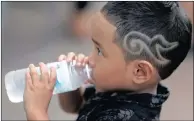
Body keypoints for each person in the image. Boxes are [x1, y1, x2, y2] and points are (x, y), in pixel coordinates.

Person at [23, 2, 192, 121]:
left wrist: (36, 112)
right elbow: (76, 107)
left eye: (99, 50)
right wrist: (69, 84)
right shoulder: (118, 85)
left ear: (139, 72)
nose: (90, 58)